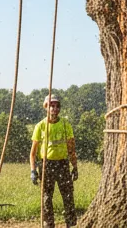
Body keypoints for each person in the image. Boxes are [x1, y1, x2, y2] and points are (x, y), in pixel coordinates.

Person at [30, 94, 78, 228]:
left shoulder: (65, 125)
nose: (54, 109)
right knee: (46, 199)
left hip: (63, 164)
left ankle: (71, 224)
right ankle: (48, 225)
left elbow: (71, 150)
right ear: (46, 107)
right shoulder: (40, 126)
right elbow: (33, 153)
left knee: (68, 197)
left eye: (57, 106)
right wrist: (33, 171)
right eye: (51, 106)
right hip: (46, 165)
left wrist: (74, 167)